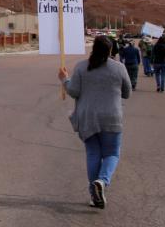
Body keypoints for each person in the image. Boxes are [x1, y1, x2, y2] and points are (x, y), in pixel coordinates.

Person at [58, 35, 131, 209]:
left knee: (93, 155)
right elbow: (127, 93)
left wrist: (64, 79)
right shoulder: (119, 68)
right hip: (112, 117)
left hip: (87, 118)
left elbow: (74, 91)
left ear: (93, 49)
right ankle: (102, 181)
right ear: (111, 50)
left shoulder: (82, 67)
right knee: (112, 154)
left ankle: (94, 194)